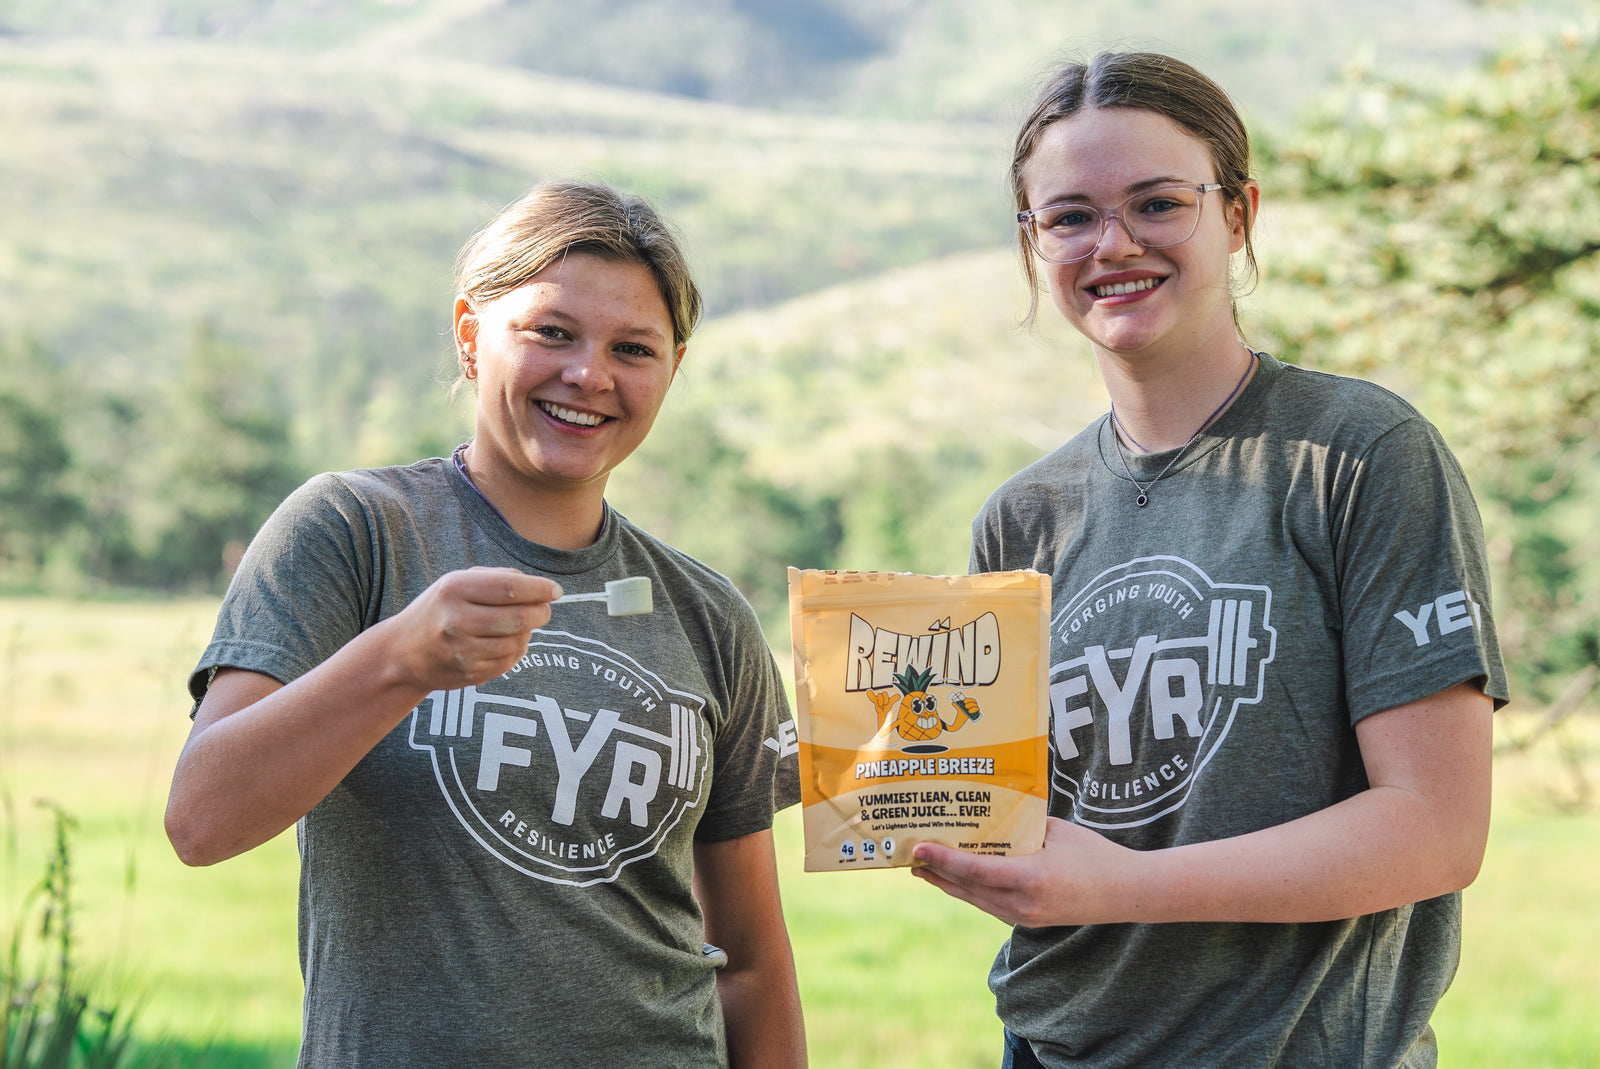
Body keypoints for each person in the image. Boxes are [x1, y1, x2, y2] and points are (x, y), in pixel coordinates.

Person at [909, 52, 1507, 1068]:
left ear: (1235, 215)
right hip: (1052, 1046)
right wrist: (873, 765)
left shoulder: (1358, 454)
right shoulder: (1018, 521)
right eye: (1068, 216)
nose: (1113, 244)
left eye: (1156, 203)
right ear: (1030, 242)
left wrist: (1125, 887)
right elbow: (1024, 823)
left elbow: (1436, 828)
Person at [165, 180, 807, 1068]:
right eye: (551, 332)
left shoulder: (708, 614)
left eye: (634, 347)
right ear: (471, 335)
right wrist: (399, 660)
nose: (589, 374)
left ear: (672, 368)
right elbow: (201, 820)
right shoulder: (353, 532)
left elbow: (751, 964)